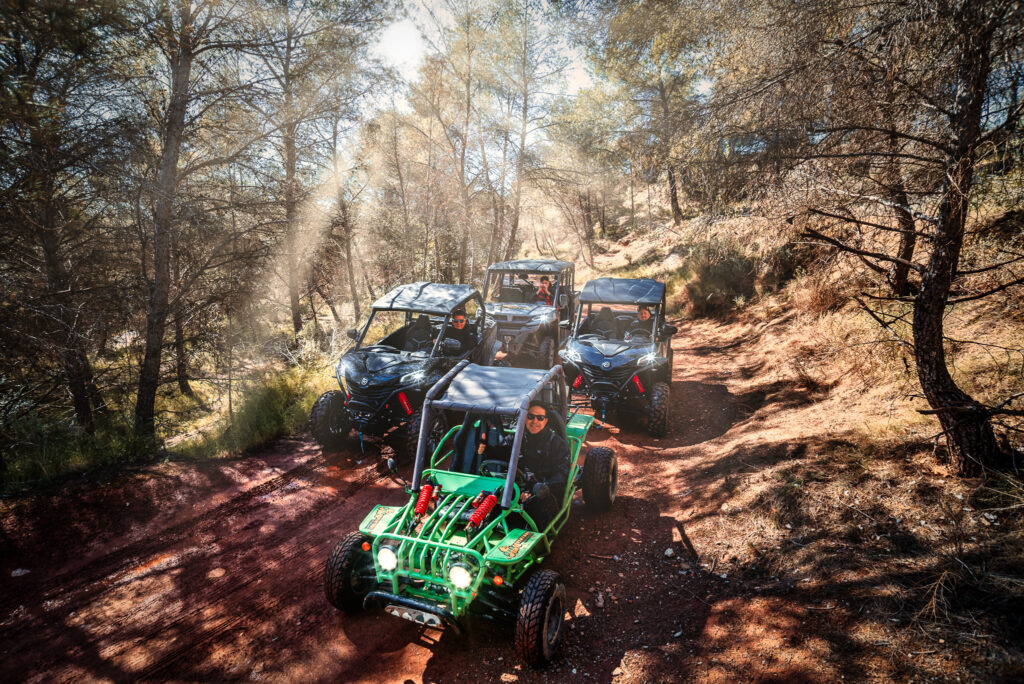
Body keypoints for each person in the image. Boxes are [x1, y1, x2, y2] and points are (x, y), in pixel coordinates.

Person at [517, 401, 570, 531]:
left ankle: (531, 542)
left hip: (545, 493)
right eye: (530, 416)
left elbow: (562, 474)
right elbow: (498, 455)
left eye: (539, 418)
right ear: (525, 418)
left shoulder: (556, 444)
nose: (534, 421)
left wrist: (542, 487)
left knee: (541, 502)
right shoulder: (516, 439)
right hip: (517, 490)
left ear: (546, 421)